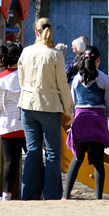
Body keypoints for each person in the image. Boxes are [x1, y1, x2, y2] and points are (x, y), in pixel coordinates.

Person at [18, 18, 74, 201]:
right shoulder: (55, 54)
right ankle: (51, 195)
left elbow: (21, 79)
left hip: (27, 104)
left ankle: (28, 193)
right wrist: (68, 109)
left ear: (36, 32)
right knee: (52, 153)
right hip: (49, 105)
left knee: (32, 151)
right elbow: (63, 85)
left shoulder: (25, 52)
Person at [64, 46, 109, 200]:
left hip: (80, 122)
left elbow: (73, 104)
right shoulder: (104, 79)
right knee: (98, 162)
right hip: (97, 122)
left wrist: (72, 125)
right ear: (98, 60)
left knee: (77, 158)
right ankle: (98, 197)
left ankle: (66, 195)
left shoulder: (75, 79)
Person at [0, 41, 25, 201]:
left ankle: (6, 195)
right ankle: (35, 190)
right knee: (33, 158)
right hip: (26, 124)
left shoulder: (2, 78)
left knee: (10, 161)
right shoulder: (26, 75)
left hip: (8, 125)